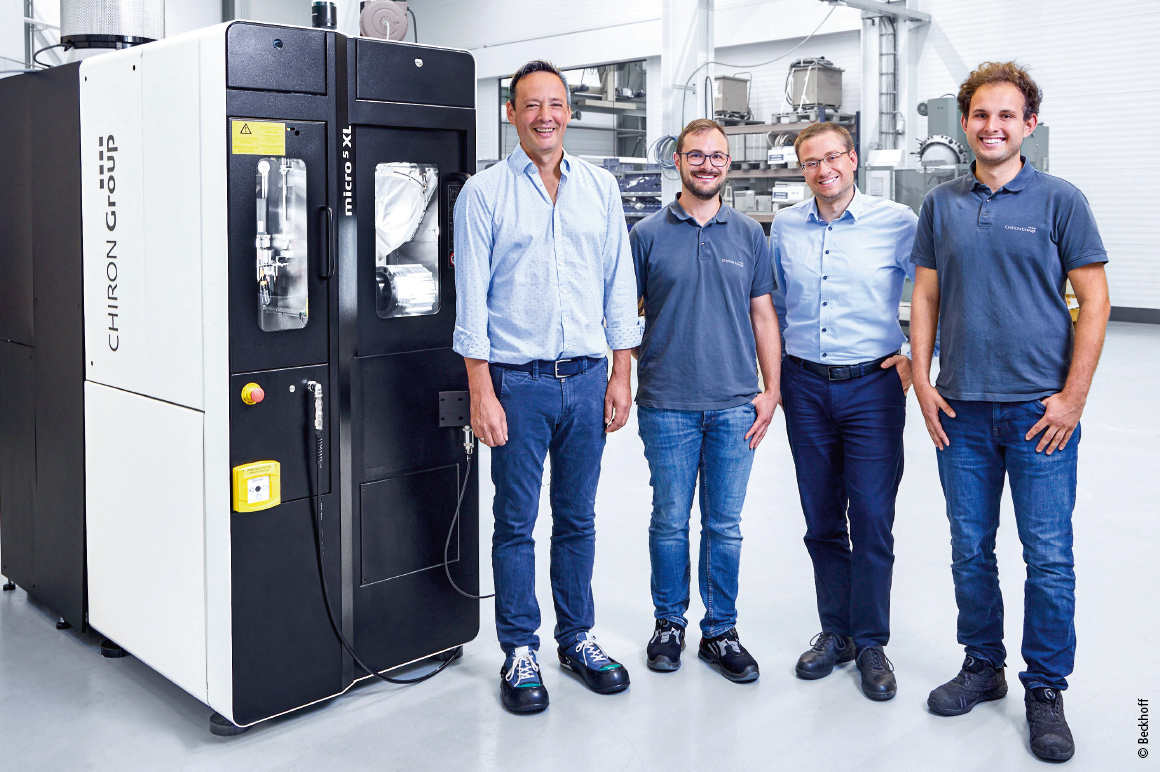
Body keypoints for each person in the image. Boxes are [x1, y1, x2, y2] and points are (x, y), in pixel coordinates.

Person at [910, 61, 1109, 763]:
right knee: (971, 550)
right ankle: (983, 666)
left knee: (1048, 558)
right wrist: (923, 380)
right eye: (980, 115)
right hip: (960, 411)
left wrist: (1073, 397)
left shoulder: (1060, 199)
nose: (992, 127)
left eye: (1006, 115)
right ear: (964, 124)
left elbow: (1095, 301)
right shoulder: (941, 204)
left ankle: (1046, 689)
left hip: (1037, 415)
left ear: (1029, 124)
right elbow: (927, 297)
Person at [452, 59, 641, 715]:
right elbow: (470, 300)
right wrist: (481, 390)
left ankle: (577, 638)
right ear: (511, 114)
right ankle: (518, 649)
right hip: (518, 383)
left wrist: (622, 370)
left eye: (555, 104)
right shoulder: (482, 195)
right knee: (515, 523)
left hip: (588, 378)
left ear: (570, 112)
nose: (545, 116)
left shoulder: (599, 189)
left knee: (578, 518)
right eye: (531, 105)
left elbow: (620, 283)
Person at [771, 121, 917, 702]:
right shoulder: (784, 227)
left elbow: (931, 293)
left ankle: (872, 641)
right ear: (801, 169)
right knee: (822, 518)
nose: (823, 169)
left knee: (874, 518)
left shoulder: (899, 222)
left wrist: (911, 354)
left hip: (873, 388)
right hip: (805, 386)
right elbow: (774, 302)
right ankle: (835, 632)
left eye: (833, 157)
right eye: (811, 162)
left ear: (853, 160)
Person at [630, 118, 780, 683]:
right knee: (669, 519)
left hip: (736, 404)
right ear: (678, 162)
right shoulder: (645, 235)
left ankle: (720, 631)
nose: (708, 165)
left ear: (728, 165)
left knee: (725, 523)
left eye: (718, 157)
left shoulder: (749, 234)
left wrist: (772, 392)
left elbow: (764, 316)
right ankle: (669, 624)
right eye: (697, 155)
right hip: (666, 403)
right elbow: (626, 316)